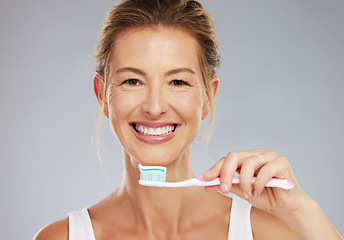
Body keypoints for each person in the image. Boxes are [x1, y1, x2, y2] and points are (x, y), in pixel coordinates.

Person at [34, 0, 343, 239]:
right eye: (132, 81)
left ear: (208, 96)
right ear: (102, 95)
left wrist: (303, 211)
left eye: (178, 82)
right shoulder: (63, 237)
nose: (155, 107)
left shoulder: (268, 234)